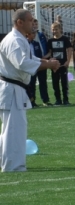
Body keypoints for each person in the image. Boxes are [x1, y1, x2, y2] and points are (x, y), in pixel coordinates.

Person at [0, 9, 59, 172]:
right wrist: (47, 65)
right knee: (14, 130)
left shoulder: (20, 39)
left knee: (11, 129)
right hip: (11, 89)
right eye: (30, 20)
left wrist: (46, 61)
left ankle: (9, 162)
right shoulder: (13, 40)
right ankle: (13, 166)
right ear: (19, 22)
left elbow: (30, 59)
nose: (33, 23)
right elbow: (22, 63)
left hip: (15, 88)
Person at [44, 22, 72, 106]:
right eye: (53, 29)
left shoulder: (65, 39)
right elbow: (50, 53)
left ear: (60, 29)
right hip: (54, 66)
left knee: (64, 83)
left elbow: (69, 50)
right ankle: (58, 100)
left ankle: (66, 100)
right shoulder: (50, 41)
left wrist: (68, 61)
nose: (54, 31)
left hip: (63, 65)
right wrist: (43, 58)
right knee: (55, 83)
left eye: (56, 29)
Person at [31, 18, 50, 106]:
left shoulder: (41, 35)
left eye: (36, 24)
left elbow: (46, 46)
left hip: (42, 61)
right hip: (32, 62)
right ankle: (32, 100)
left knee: (43, 81)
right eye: (33, 24)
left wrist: (46, 56)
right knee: (32, 82)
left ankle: (45, 100)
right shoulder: (27, 37)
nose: (35, 26)